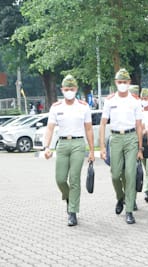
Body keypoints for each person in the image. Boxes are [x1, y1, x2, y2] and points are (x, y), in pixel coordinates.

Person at [43, 74, 95, 227]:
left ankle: (72, 212)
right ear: (62, 90)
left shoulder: (83, 106)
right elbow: (50, 128)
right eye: (66, 89)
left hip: (78, 144)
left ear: (76, 89)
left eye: (72, 89)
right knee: (60, 179)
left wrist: (92, 150)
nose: (69, 91)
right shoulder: (56, 107)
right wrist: (47, 147)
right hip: (63, 144)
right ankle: (69, 198)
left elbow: (89, 129)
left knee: (74, 178)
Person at [99, 68, 143, 225]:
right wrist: (102, 146)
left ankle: (129, 210)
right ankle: (120, 197)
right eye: (120, 82)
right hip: (116, 138)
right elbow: (103, 123)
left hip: (131, 138)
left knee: (130, 174)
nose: (123, 84)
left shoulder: (136, 100)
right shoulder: (110, 100)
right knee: (115, 174)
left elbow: (139, 125)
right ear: (116, 83)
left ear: (129, 83)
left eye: (125, 82)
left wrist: (140, 148)